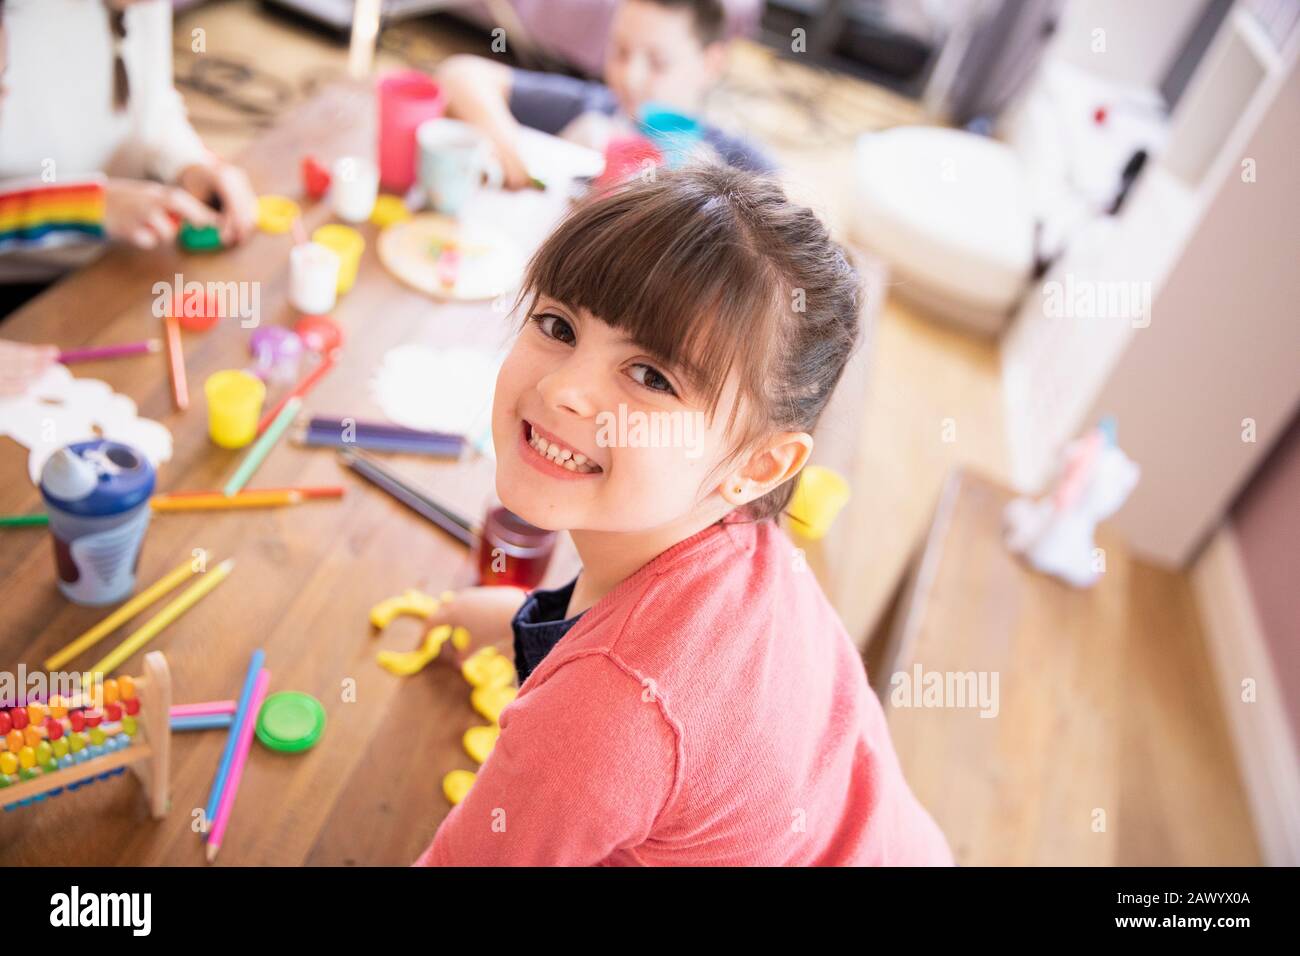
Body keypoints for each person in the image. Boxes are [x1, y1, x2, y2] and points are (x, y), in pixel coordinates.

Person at [413, 165, 954, 866]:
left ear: (757, 466)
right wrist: (517, 623)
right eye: (558, 324)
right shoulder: (737, 531)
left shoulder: (601, 715)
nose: (562, 388)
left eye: (650, 376)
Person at [0, 0, 256, 318]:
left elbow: (154, 106)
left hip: (124, 254)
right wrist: (91, 206)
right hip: (29, 282)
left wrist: (190, 165)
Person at [437, 0, 774, 189]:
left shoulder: (734, 160)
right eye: (621, 52)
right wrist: (508, 145)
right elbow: (460, 73)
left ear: (711, 64)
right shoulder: (592, 111)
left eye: (658, 62)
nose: (630, 76)